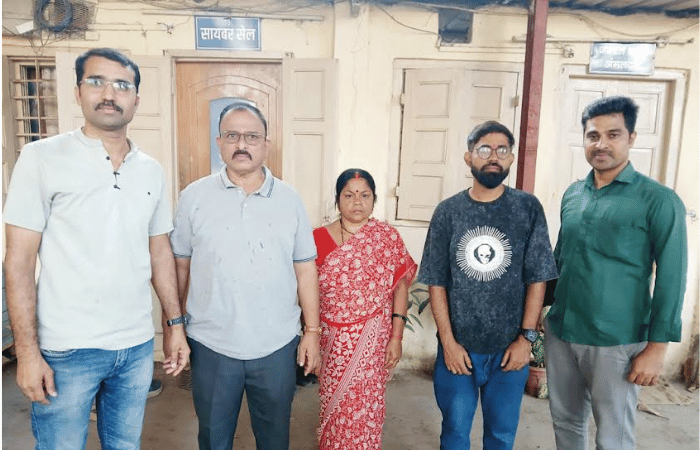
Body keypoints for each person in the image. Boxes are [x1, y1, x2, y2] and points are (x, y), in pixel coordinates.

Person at [3, 47, 189, 449]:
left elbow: (159, 251)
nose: (109, 93)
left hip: (135, 346)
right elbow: (18, 262)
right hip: (66, 349)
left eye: (122, 85)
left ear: (136, 100)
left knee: (125, 445)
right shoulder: (41, 159)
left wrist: (174, 325)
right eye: (96, 81)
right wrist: (27, 353)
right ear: (77, 92)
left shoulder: (150, 170)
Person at [170, 102, 321, 450]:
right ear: (219, 142)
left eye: (252, 136)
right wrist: (174, 327)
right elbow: (180, 266)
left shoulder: (289, 200)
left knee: (274, 439)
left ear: (265, 143)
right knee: (213, 438)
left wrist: (311, 332)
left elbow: (305, 268)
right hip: (211, 344)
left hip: (276, 345)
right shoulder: (193, 197)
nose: (242, 144)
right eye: (232, 136)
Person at [545, 96, 688, 450]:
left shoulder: (658, 200)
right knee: (566, 423)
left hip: (616, 340)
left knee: (614, 436)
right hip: (562, 332)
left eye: (613, 134)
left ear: (631, 137)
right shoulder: (573, 195)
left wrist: (656, 348)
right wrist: (538, 313)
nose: (601, 144)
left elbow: (672, 276)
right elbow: (560, 259)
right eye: (593, 135)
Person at [418, 121, 558, 450]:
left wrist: (526, 339)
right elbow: (436, 281)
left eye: (502, 150)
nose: (493, 156)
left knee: (501, 435)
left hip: (510, 351)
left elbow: (537, 277)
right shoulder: (448, 212)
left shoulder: (527, 208)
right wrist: (448, 343)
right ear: (468, 157)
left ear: (511, 159)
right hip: (458, 349)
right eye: (484, 149)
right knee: (454, 432)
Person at [314, 168, 417, 449]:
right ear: (337, 200)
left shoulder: (386, 237)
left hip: (373, 342)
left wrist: (396, 338)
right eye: (349, 195)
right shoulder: (318, 238)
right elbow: (307, 293)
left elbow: (400, 288)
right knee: (335, 407)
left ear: (374, 200)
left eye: (365, 195)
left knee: (367, 407)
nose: (357, 202)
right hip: (332, 343)